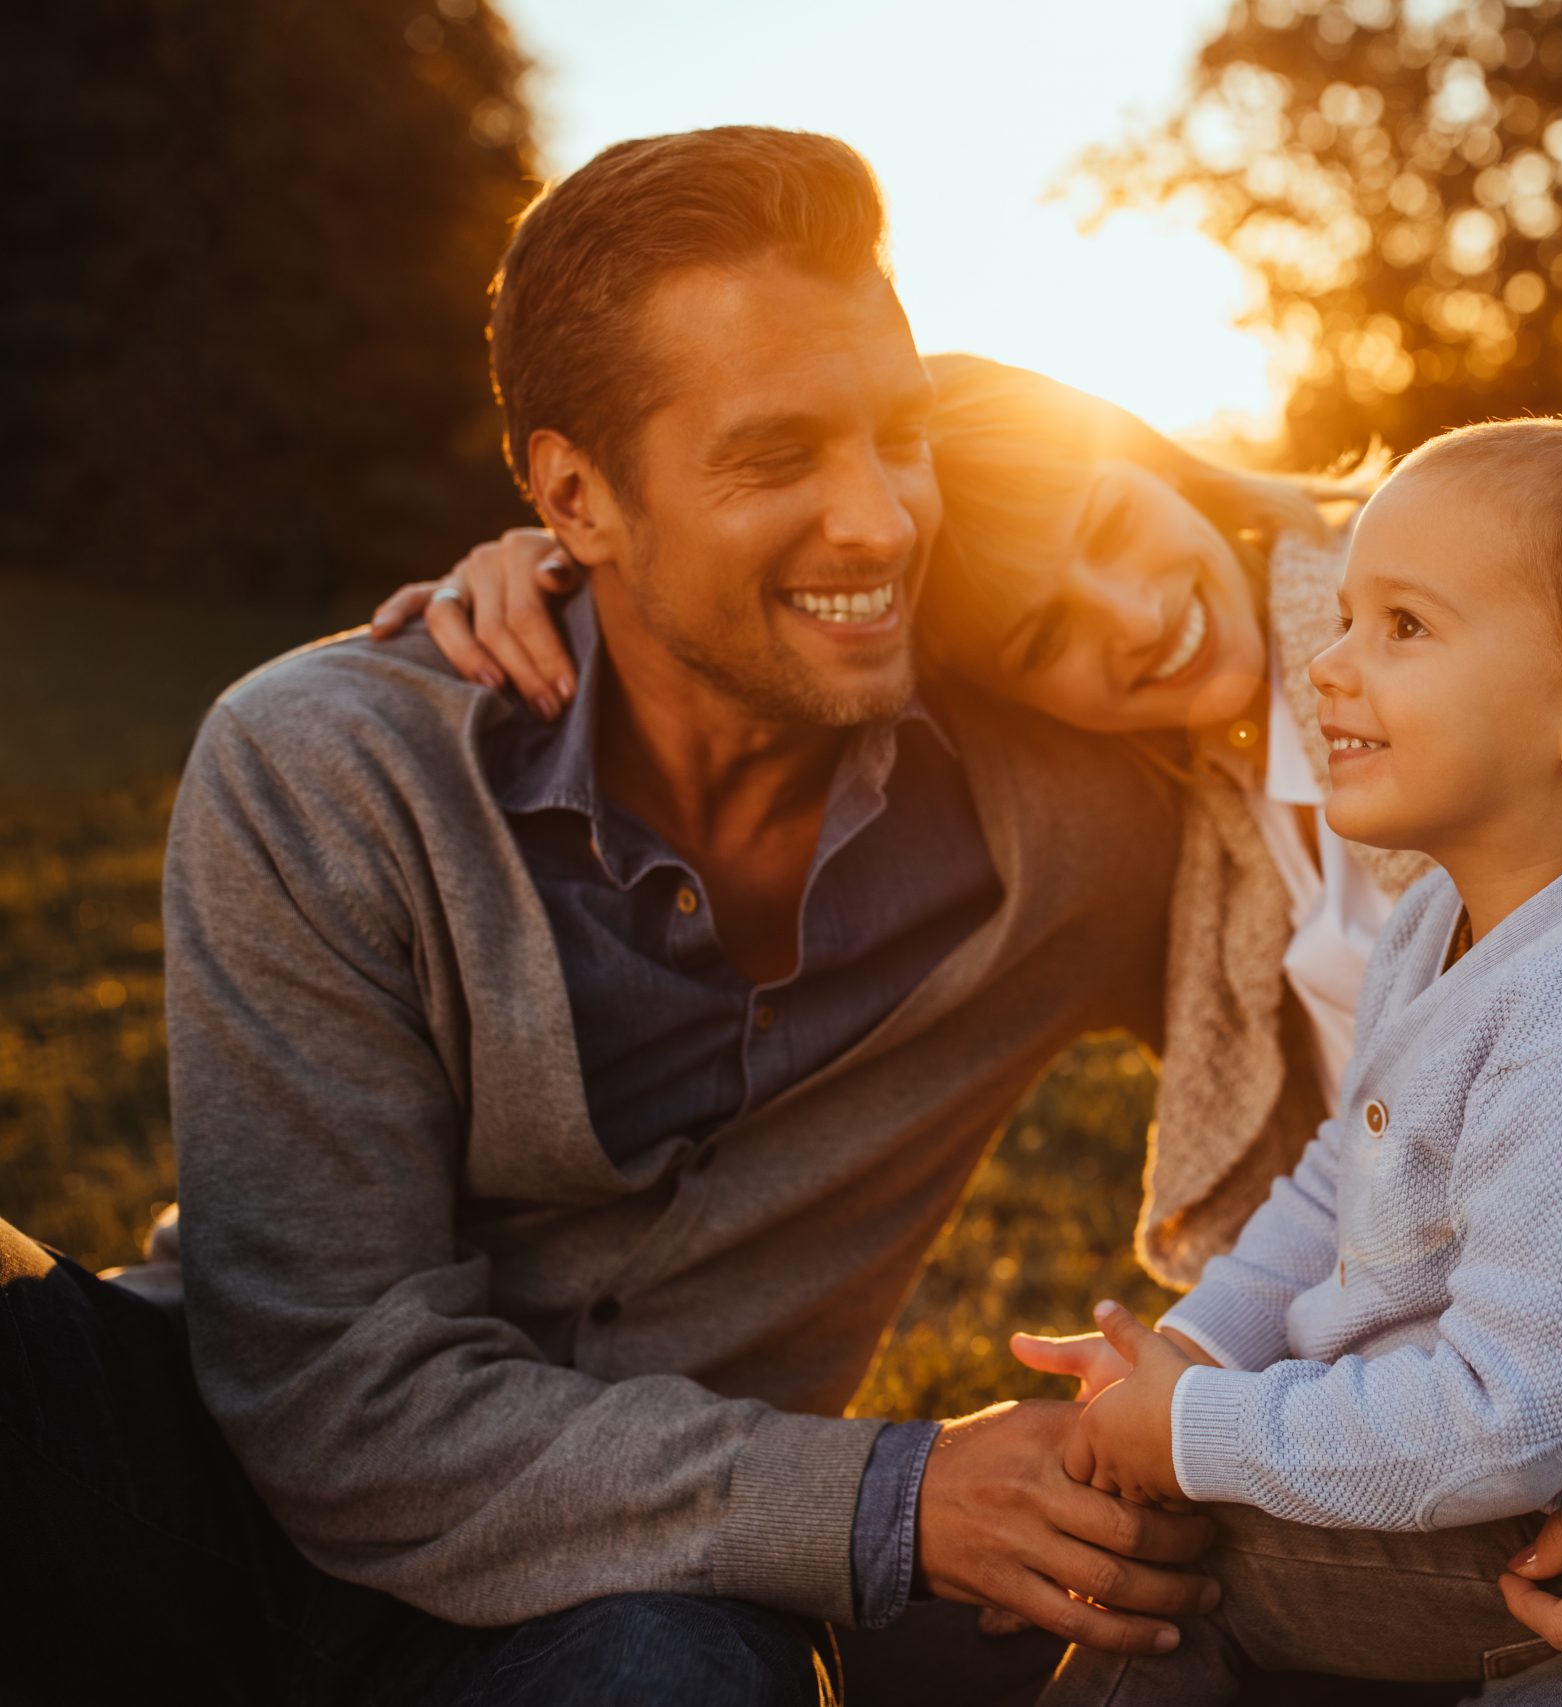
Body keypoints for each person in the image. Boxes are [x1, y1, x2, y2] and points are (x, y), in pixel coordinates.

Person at [388, 361, 1562, 1699]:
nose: (1130, 610)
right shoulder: (1160, 816)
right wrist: (588, 569)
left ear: (1157, 457)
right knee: (991, 1607)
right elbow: (1332, 1196)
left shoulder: (1518, 645)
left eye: (1113, 522)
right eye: (1039, 630)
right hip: (1395, 1426)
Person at [0, 128, 1218, 1707]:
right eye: (777, 459)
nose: (880, 521)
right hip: (191, 1491)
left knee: (680, 1680)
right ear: (576, 495)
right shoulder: (331, 763)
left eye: (899, 436)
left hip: (638, 1594)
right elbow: (329, 1390)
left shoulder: (1069, 827)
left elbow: (1442, 919)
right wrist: (886, 1494)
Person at [1035, 417, 1562, 1704]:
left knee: (1165, 1576)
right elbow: (1335, 1179)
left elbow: (1506, 1424)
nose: (1330, 666)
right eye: (1343, 617)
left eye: (1402, 628)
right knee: (1156, 1534)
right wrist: (1196, 1349)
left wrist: (1191, 1436)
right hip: (1503, 1491)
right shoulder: (1442, 918)